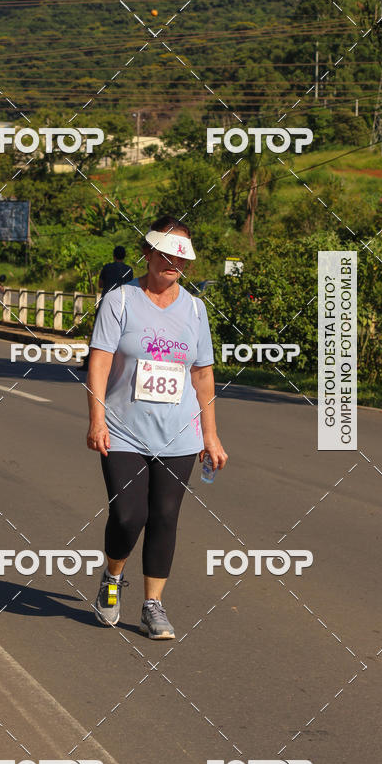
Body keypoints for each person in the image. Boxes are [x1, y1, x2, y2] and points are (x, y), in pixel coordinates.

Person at [86, 216, 228, 639]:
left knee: (165, 516)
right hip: (123, 428)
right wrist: (96, 419)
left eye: (181, 256)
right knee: (128, 515)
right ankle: (112, 580)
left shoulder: (195, 308)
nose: (172, 262)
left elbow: (202, 374)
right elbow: (100, 361)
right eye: (164, 253)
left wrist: (210, 434)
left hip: (178, 433)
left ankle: (153, 605)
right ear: (147, 253)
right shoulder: (121, 301)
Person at [79, 247, 134, 371]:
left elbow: (100, 284)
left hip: (106, 304)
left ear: (113, 255)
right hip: (124, 305)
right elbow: (131, 287)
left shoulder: (107, 268)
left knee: (97, 333)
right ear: (124, 256)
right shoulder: (129, 270)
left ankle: (89, 363)